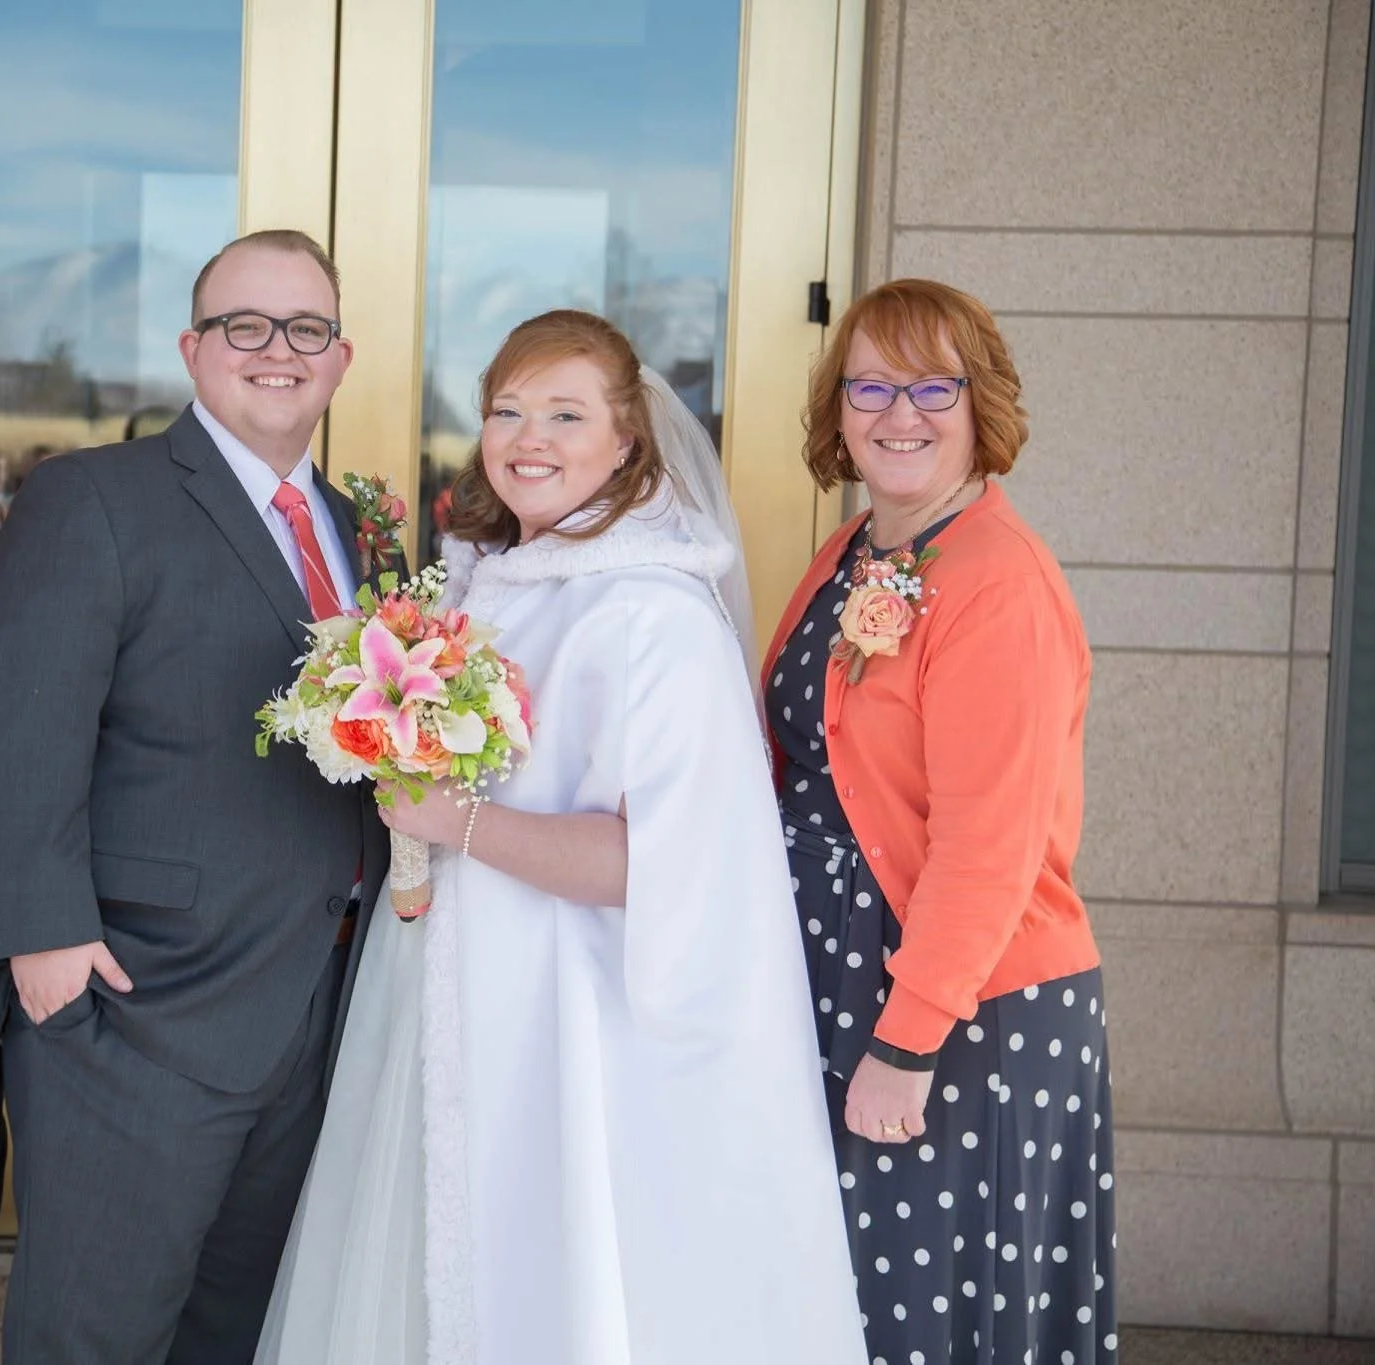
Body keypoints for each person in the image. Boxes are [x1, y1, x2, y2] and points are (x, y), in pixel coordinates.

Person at [256, 310, 867, 1365]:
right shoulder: (482, 584)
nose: (526, 438)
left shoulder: (649, 616)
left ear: (626, 440)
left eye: (565, 414)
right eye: (506, 410)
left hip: (571, 1029)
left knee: (548, 1288)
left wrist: (452, 819)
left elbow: (653, 862)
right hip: (453, 1002)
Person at [0, 228, 391, 1364]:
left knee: (238, 1330)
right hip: (133, 1008)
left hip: (317, 1010)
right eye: (245, 325)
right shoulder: (95, 498)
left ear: (340, 359)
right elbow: (17, 726)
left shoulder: (362, 534)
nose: (276, 351)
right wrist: (40, 940)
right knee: (93, 1332)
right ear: (193, 351)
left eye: (305, 329)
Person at [766, 277, 1114, 1364]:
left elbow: (987, 847)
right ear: (836, 411)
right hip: (838, 976)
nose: (896, 413)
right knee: (843, 1306)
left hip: (956, 1010)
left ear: (980, 408)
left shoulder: (992, 581)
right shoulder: (852, 553)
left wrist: (906, 1042)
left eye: (930, 386)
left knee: (931, 1318)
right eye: (868, 385)